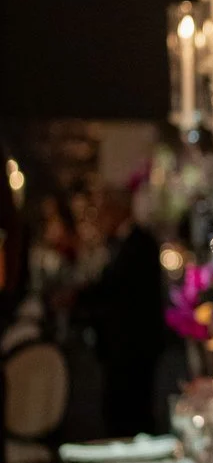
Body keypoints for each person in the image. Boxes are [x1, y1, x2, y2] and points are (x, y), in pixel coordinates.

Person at [76, 186, 166, 437]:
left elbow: (121, 291)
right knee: (119, 410)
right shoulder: (121, 243)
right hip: (121, 345)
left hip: (134, 346)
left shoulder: (140, 243)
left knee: (133, 411)